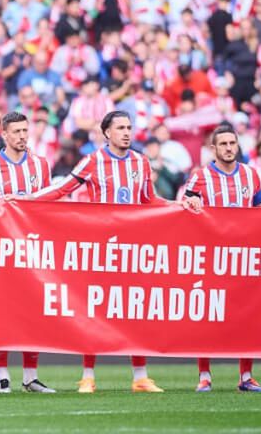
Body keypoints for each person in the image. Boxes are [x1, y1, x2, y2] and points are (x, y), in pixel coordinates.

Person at [32, 111, 178, 393]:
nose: (126, 132)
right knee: (95, 310)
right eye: (120, 127)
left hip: (134, 248)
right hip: (103, 248)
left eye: (129, 127)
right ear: (107, 133)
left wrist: (176, 204)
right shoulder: (94, 161)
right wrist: (27, 200)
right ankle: (88, 376)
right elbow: (63, 189)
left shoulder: (140, 161)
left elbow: (149, 199)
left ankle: (140, 377)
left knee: (135, 310)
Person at [180, 124, 261, 393]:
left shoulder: (250, 175)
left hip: (243, 255)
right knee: (207, 317)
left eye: (233, 143)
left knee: (247, 316)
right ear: (213, 149)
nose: (229, 148)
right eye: (224, 144)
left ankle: (246, 376)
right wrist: (189, 203)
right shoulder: (201, 177)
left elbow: (259, 205)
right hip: (211, 256)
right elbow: (183, 206)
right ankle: (204, 375)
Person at [0, 112, 55, 393]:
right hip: (1, 251)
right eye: (16, 131)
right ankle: (2, 377)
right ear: (4, 134)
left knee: (33, 311)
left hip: (33, 249)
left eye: (24, 130)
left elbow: (48, 204)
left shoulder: (41, 166)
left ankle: (30, 377)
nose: (22, 136)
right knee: (1, 312)